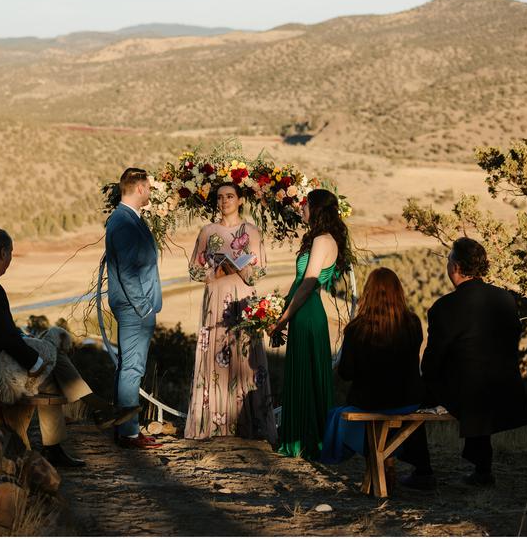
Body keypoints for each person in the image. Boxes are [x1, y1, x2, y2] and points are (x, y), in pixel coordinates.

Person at [0, 228, 130, 467]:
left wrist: (26, 342)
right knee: (51, 366)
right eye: (10, 254)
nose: (10, 260)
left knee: (50, 357)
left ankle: (93, 412)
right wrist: (35, 362)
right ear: (3, 253)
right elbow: (4, 337)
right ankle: (84, 418)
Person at [400, 237, 527, 489]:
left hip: (469, 392)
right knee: (472, 385)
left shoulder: (445, 307)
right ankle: (482, 469)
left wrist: (427, 381)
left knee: (410, 394)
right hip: (506, 386)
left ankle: (422, 470)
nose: (447, 265)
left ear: (457, 267)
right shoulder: (505, 298)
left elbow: (432, 360)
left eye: (449, 260)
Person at [183, 184, 277, 444]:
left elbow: (259, 271)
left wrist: (239, 267)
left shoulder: (252, 232)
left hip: (242, 301)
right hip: (215, 302)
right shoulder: (207, 232)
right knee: (214, 358)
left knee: (244, 357)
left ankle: (248, 423)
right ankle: (212, 423)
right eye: (220, 197)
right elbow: (194, 269)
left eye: (230, 196)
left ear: (241, 200)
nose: (224, 201)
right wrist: (215, 272)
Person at [320, 268, 424, 488]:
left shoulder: (357, 329)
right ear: (399, 293)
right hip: (408, 401)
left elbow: (346, 374)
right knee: (374, 413)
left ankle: (380, 461)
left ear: (368, 293)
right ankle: (387, 458)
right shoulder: (413, 324)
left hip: (370, 402)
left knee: (339, 415)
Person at [270, 189, 351, 460]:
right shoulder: (320, 238)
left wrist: (284, 318)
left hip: (307, 312)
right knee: (301, 372)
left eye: (305, 206)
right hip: (302, 311)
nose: (301, 210)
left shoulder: (323, 240)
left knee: (307, 373)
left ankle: (308, 440)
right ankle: (300, 437)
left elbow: (308, 283)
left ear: (316, 209)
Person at [105, 167, 163, 449]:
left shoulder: (125, 218)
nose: (150, 192)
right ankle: (128, 432)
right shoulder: (125, 223)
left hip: (131, 306)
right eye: (149, 187)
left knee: (126, 366)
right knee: (132, 369)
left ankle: (123, 427)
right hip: (133, 307)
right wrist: (144, 308)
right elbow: (128, 272)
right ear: (140, 188)